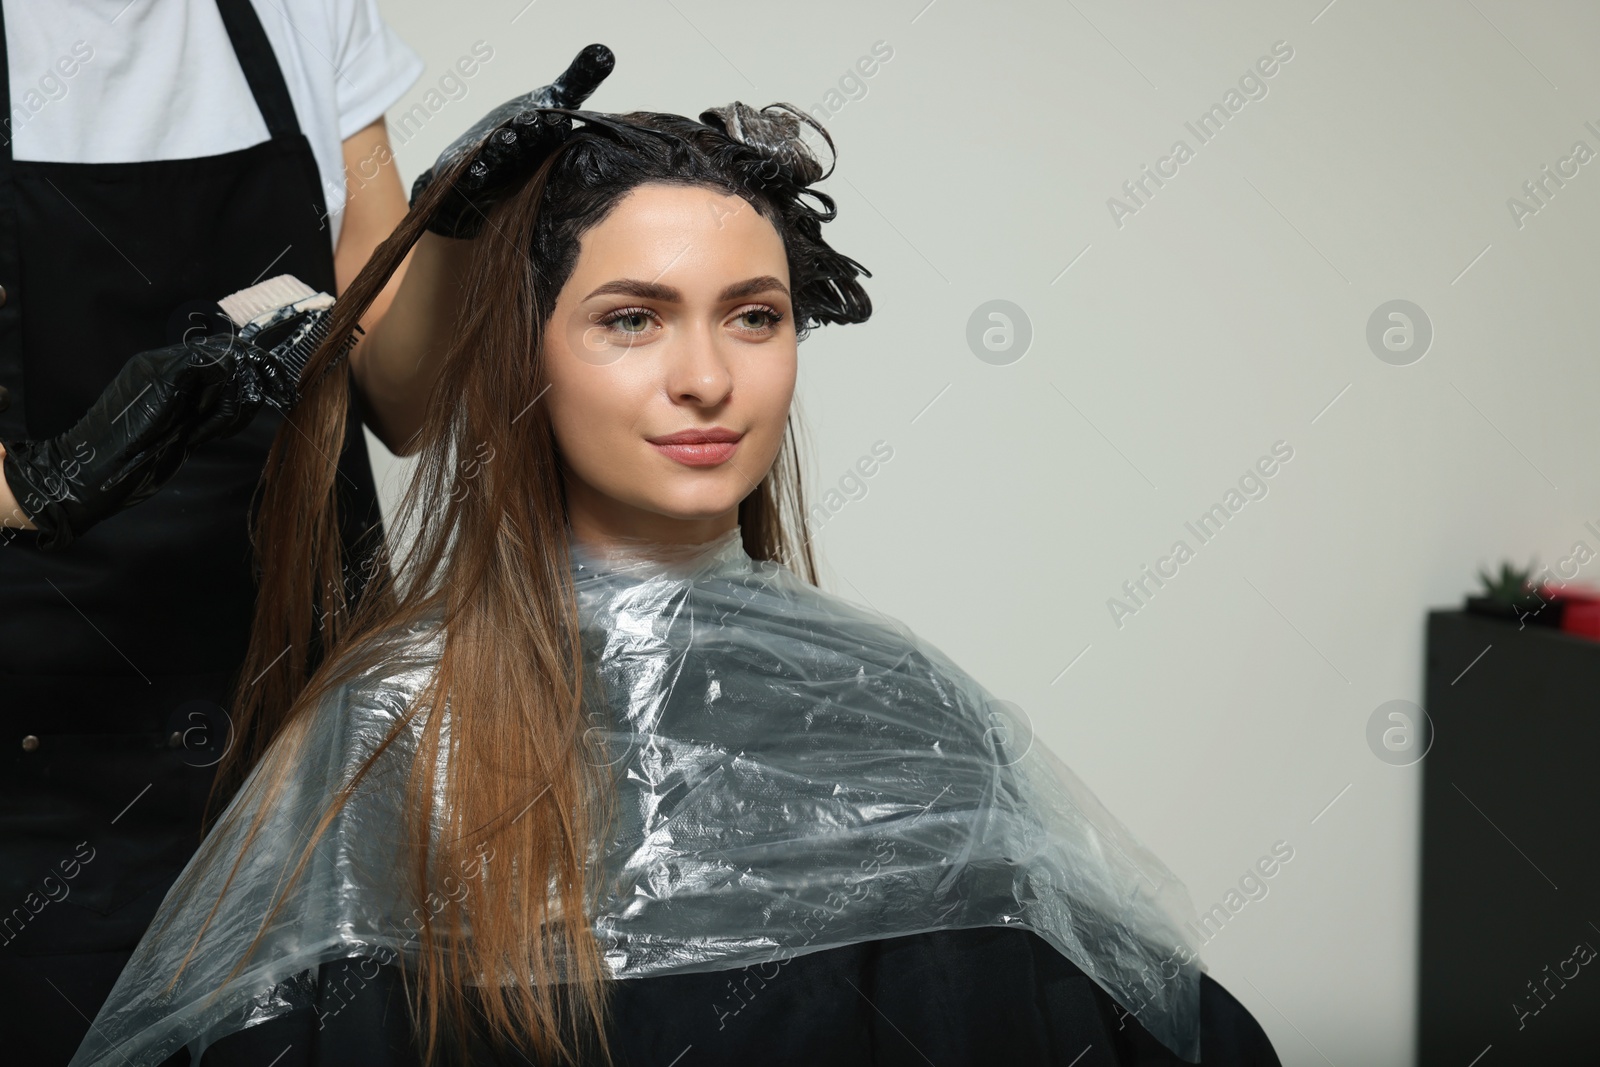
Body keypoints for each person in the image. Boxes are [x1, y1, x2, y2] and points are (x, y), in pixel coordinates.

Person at [70, 97, 1283, 1066]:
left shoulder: (905, 713)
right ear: (521, 351)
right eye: (632, 319)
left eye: (753, 316)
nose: (707, 377)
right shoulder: (394, 731)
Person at [0, 1, 601, 1060]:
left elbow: (401, 401)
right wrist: (41, 486)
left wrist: (449, 223)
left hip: (300, 736)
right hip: (39, 761)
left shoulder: (300, 11)